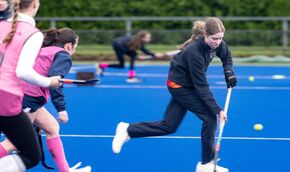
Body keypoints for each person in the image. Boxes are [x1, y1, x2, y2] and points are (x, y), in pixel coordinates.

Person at [112, 17, 237, 172]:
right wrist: (218, 110)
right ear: (205, 34)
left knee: (169, 126)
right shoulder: (194, 53)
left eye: (220, 38)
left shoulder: (217, 44)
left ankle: (128, 129)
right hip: (180, 86)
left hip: (188, 85)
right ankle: (206, 165)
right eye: (214, 38)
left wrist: (228, 72)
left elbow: (227, 57)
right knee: (210, 117)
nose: (218, 42)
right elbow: (201, 86)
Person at [0, 27, 92, 172]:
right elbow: (55, 82)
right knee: (15, 143)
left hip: (24, 96)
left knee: (52, 128)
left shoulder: (41, 50)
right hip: (28, 99)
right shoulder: (63, 56)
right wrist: (61, 109)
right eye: (75, 47)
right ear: (69, 46)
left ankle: (65, 170)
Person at [0, 0, 61, 171]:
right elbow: (23, 72)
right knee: (30, 155)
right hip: (5, 99)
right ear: (35, 4)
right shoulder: (32, 34)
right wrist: (50, 82)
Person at [96, 31, 163, 82]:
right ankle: (131, 77)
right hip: (119, 45)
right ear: (143, 37)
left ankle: (102, 65)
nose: (149, 39)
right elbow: (145, 51)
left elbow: (137, 50)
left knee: (121, 65)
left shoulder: (137, 40)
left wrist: (137, 56)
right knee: (132, 56)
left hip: (116, 44)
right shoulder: (138, 40)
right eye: (148, 37)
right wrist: (155, 54)